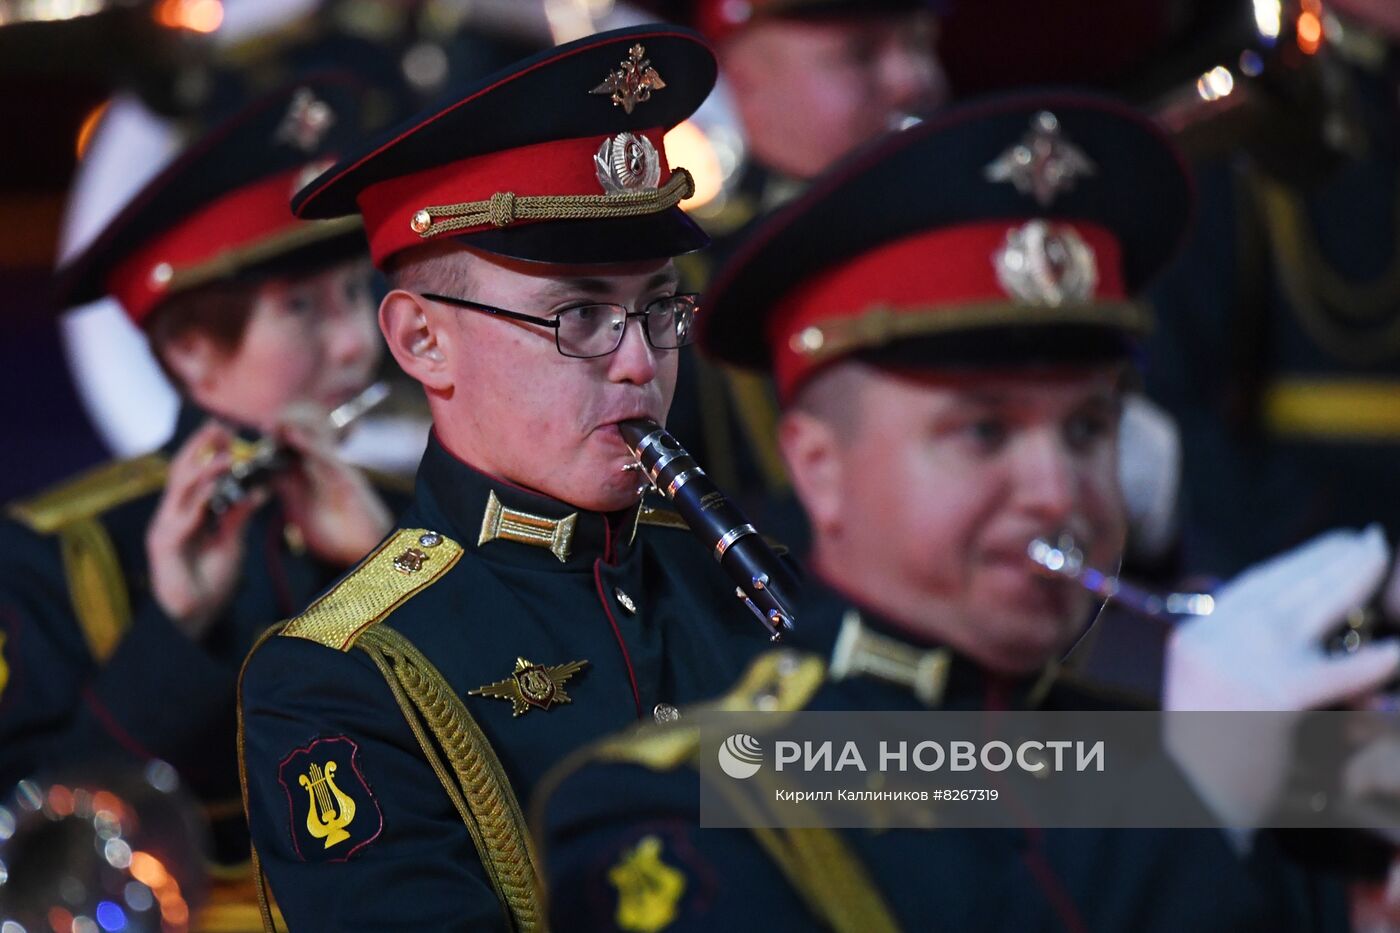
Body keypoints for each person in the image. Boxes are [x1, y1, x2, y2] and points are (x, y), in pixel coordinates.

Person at [535, 92, 1400, 931]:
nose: (1060, 492)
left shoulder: (1147, 749)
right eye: (984, 431)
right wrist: (1200, 799)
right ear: (819, 468)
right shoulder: (674, 805)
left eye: (1090, 425)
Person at [236, 26, 772, 931]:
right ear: (420, 340)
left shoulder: (749, 576)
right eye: (580, 315)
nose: (641, 362)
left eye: (657, 309)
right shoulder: (340, 678)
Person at [0, 77, 398, 926]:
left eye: (356, 292)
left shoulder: (407, 513)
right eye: (300, 307)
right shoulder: (55, 553)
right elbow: (25, 866)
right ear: (189, 349)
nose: (357, 342)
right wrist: (173, 630)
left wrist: (386, 569)